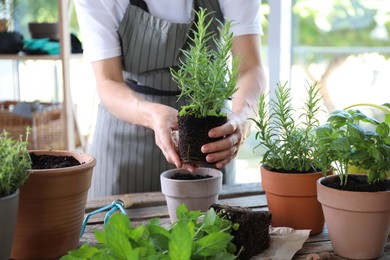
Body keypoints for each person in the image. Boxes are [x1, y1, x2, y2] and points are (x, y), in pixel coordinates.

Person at [74, 0, 266, 198]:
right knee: (119, 225)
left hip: (207, 135)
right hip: (126, 134)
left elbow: (249, 67)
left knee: (209, 225)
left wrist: (241, 119)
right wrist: (153, 114)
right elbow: (108, 82)